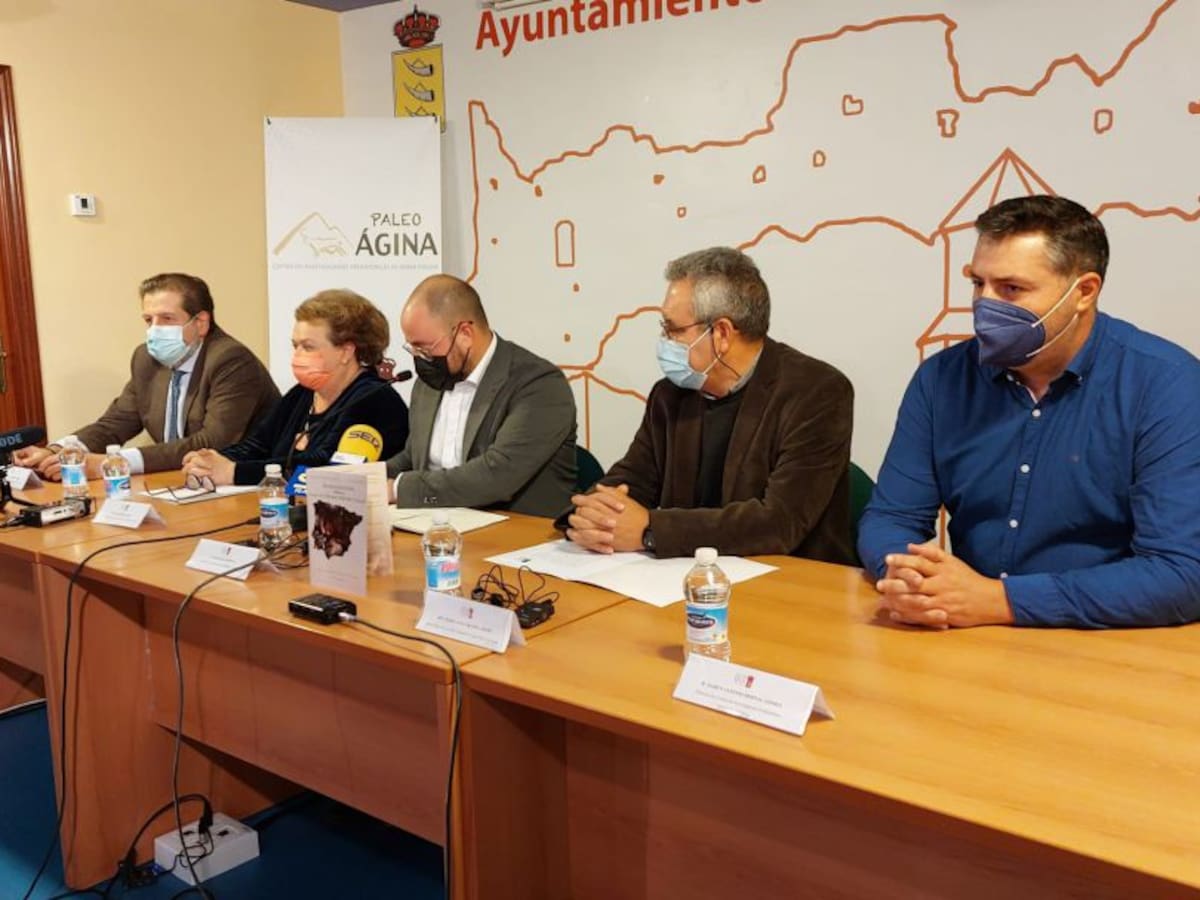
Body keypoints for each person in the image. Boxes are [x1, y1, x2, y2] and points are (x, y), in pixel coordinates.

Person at [858, 194, 1200, 629]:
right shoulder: (942, 378)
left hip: (1106, 642)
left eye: (1011, 289)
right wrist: (910, 579)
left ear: (1084, 292)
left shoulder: (1166, 384)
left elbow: (1180, 573)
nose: (985, 305)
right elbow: (891, 518)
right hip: (965, 633)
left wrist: (1001, 601)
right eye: (978, 284)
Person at [564, 246, 855, 562]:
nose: (664, 340)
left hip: (791, 577)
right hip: (686, 575)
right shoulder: (670, 394)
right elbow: (633, 479)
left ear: (722, 333)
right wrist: (591, 514)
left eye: (672, 329)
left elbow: (779, 522)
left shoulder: (817, 392)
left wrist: (651, 529)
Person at [14, 273, 279, 478]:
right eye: (148, 320)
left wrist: (114, 464)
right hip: (180, 481)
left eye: (167, 319)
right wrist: (58, 451)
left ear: (200, 323)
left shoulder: (230, 360)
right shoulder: (147, 358)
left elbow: (211, 443)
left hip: (245, 483)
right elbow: (115, 424)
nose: (155, 330)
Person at [385, 274, 577, 517]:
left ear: (465, 333)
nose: (420, 358)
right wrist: (365, 479)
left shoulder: (539, 384)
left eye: (425, 348)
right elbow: (413, 457)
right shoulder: (430, 382)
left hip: (516, 530)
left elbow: (498, 475)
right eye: (412, 348)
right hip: (435, 525)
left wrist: (398, 489)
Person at [182, 289, 408, 485]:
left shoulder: (374, 399)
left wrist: (234, 472)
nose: (297, 355)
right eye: (295, 346)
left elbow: (327, 468)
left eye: (308, 347)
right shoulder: (304, 392)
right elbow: (258, 445)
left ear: (346, 352)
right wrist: (213, 460)